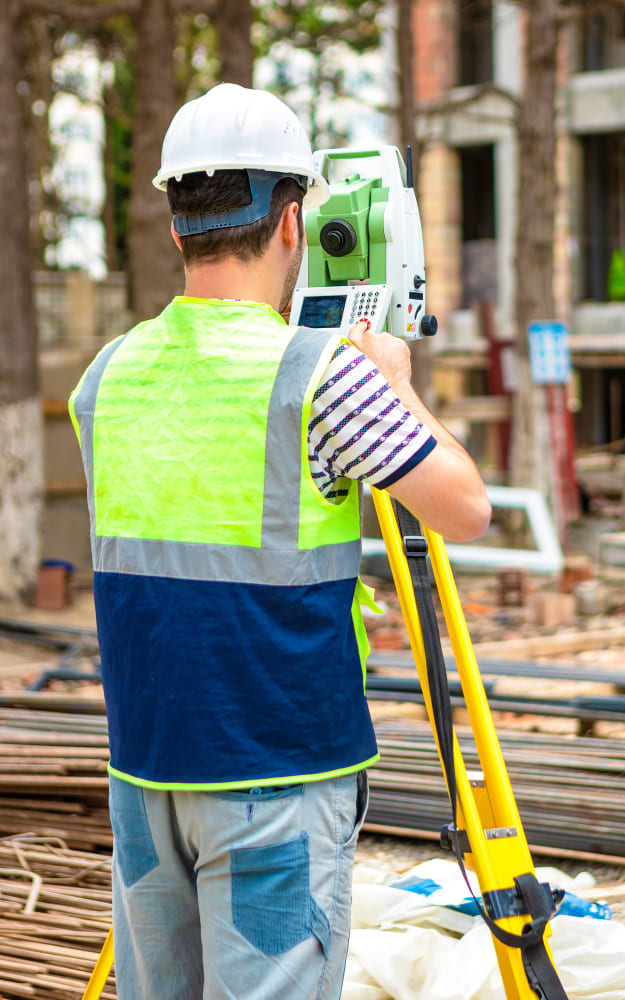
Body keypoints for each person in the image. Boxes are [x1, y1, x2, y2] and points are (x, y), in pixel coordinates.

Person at [70, 82, 490, 1000]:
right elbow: (464, 509)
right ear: (295, 220)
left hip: (146, 773)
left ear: (177, 225)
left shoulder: (104, 380)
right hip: (278, 771)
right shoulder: (322, 378)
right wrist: (397, 383)